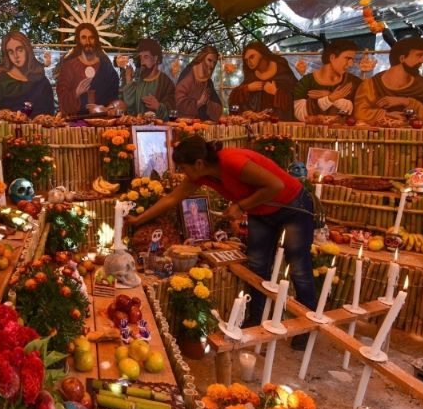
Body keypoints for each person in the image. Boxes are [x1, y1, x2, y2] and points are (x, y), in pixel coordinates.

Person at [126, 135, 317, 349]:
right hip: (261, 211)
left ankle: (307, 325)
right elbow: (172, 199)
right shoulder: (200, 175)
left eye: (183, 167)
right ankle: (256, 318)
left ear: (198, 163)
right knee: (257, 265)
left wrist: (241, 206)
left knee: (298, 265)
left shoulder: (233, 162)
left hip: (292, 205)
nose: (182, 173)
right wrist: (138, 219)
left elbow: (275, 185)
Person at [353, 36, 423, 127]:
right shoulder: (370, 85)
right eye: (419, 55)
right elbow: (359, 113)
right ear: (402, 58)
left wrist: (405, 101)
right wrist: (386, 115)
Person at [0, 31, 55, 115]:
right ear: (7, 55)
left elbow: (48, 115)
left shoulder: (41, 82)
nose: (16, 56)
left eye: (19, 50)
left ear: (27, 50)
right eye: (11, 52)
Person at [55, 23, 119, 115]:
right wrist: (76, 92)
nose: (88, 42)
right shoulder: (69, 66)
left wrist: (108, 108)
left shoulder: (106, 67)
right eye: (84, 38)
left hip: (102, 120)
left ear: (96, 40)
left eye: (91, 38)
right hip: (76, 122)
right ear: (78, 40)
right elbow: (62, 96)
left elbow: (114, 98)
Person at [227, 41, 298, 120]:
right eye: (246, 60)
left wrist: (275, 92)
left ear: (262, 54)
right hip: (256, 121)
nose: (249, 62)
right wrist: (247, 88)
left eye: (252, 57)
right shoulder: (251, 75)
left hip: (278, 122)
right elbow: (234, 101)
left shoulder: (281, 69)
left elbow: (296, 96)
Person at [293, 40, 361, 121]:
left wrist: (330, 97)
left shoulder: (354, 82)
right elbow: (299, 114)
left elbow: (356, 112)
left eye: (352, 59)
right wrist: (330, 98)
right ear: (332, 57)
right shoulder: (306, 82)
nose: (350, 64)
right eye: (347, 58)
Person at [121, 38, 175, 120]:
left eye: (146, 57)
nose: (142, 62)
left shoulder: (165, 82)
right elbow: (130, 108)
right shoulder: (138, 80)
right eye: (141, 58)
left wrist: (158, 106)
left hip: (157, 130)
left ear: (155, 58)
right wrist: (128, 79)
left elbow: (172, 111)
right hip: (138, 127)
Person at [174, 46, 223, 120]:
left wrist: (207, 103)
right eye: (209, 60)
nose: (212, 65)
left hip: (202, 123)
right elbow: (179, 102)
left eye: (214, 62)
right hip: (185, 123)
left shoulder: (208, 82)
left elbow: (218, 109)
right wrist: (198, 103)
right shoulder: (188, 75)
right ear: (202, 58)